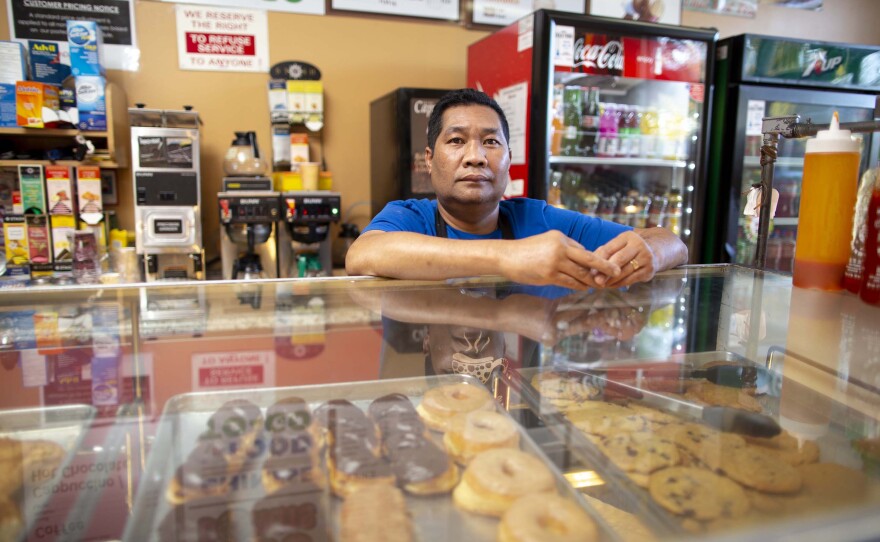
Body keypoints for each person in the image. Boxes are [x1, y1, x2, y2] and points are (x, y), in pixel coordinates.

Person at [346, 88, 688, 290]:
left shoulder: (538, 219)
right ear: (430, 160)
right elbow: (363, 255)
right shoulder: (408, 217)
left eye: (491, 142)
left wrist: (650, 254)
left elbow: (671, 241)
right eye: (456, 141)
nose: (475, 157)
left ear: (509, 159)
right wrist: (511, 257)